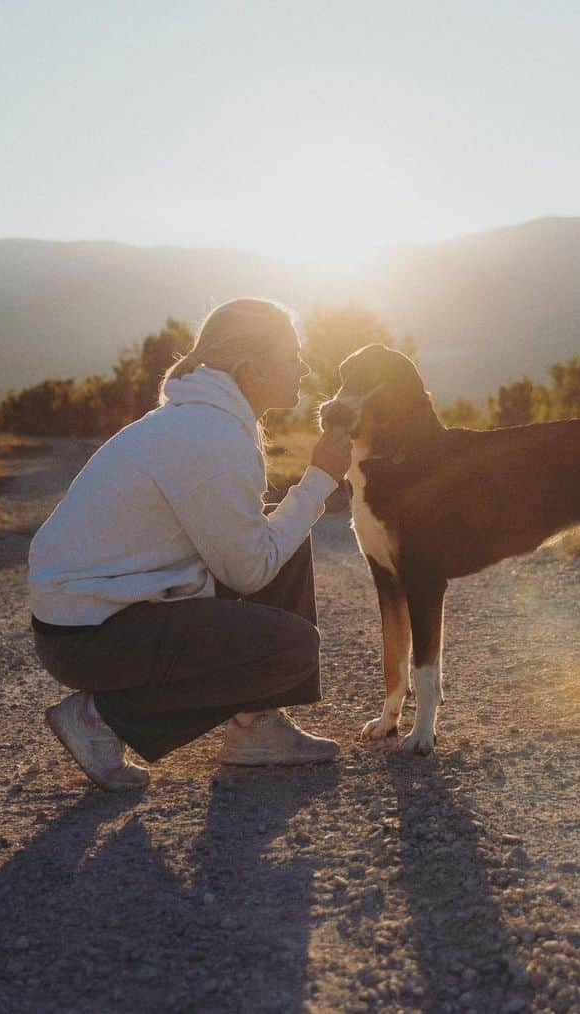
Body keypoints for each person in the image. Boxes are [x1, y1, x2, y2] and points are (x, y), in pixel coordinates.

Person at [28, 297, 353, 791]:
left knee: (285, 537)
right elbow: (248, 573)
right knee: (293, 649)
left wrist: (307, 496)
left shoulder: (204, 420)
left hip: (91, 620)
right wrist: (319, 480)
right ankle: (103, 719)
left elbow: (252, 551)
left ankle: (257, 728)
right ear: (253, 371)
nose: (304, 367)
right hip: (91, 640)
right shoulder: (213, 437)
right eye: (291, 355)